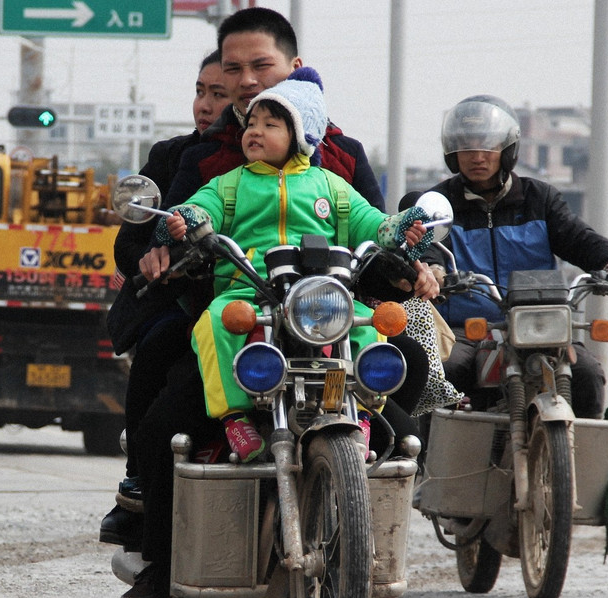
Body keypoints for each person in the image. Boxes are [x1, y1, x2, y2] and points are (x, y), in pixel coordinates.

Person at [120, 12, 433, 598]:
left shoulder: (338, 169)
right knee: (167, 415)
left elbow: (375, 230)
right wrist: (175, 235)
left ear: (293, 76)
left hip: (325, 312)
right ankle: (160, 557)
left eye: (259, 68)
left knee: (403, 390)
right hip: (242, 310)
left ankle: (365, 554)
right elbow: (180, 218)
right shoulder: (210, 164)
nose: (245, 84)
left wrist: (408, 251)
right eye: (233, 70)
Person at [157, 67, 437, 462]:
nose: (255, 131)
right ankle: (234, 417)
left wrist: (398, 229)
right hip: (249, 292)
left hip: (326, 297)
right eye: (252, 123)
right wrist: (188, 218)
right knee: (213, 322)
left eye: (270, 124)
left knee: (369, 327)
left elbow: (371, 221)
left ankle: (364, 412)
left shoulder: (331, 186)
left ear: (302, 135)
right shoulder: (229, 184)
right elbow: (203, 208)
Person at [421, 95, 608, 418]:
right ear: (453, 152)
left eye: (488, 147)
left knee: (587, 373)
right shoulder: (438, 203)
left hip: (540, 321)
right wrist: (433, 269)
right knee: (445, 370)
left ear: (508, 149)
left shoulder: (539, 198)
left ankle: (584, 450)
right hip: (467, 329)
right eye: (467, 147)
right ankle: (427, 449)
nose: (477, 157)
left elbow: (577, 238)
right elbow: (429, 245)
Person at [100, 49, 231, 549]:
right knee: (157, 348)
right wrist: (152, 256)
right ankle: (138, 481)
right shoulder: (176, 157)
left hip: (279, 308)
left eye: (219, 94)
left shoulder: (326, 159)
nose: (205, 105)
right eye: (201, 91)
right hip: (186, 303)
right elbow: (130, 242)